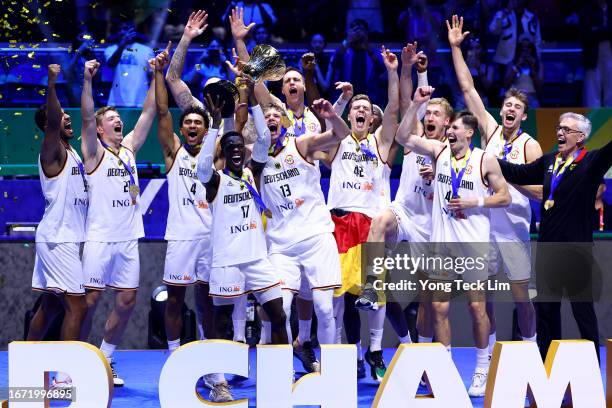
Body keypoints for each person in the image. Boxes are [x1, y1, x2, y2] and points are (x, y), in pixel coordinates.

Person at [397, 87, 511, 397]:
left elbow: (504, 196)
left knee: (477, 309)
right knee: (438, 308)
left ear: (469, 133)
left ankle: (482, 370)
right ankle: (443, 371)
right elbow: (403, 137)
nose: (448, 131)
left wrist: (475, 201)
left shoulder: (485, 160)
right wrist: (417, 104)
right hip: (442, 247)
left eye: (454, 128)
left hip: (474, 246)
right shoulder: (438, 152)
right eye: (448, 129)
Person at [448, 14, 542, 358]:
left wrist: (511, 175)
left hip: (514, 228)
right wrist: (456, 48)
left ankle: (530, 353)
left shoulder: (530, 145)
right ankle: (486, 361)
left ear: (524, 115)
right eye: (507, 105)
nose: (510, 109)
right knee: (483, 299)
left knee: (521, 299)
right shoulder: (488, 131)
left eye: (517, 107)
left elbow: (543, 191)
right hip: (484, 228)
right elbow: (468, 89)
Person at [248, 75, 350, 365]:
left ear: (283, 122)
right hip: (280, 244)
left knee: (323, 306)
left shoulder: (302, 144)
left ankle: (331, 369)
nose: (270, 118)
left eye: (275, 115)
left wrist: (332, 116)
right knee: (280, 308)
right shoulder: (256, 161)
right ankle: (279, 370)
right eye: (265, 115)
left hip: (316, 237)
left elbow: (338, 136)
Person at [356, 44, 449, 354]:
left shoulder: (452, 153)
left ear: (447, 123)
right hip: (404, 213)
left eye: (438, 113)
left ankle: (421, 354)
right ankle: (371, 286)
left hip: (433, 227)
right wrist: (406, 69)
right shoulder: (414, 138)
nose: (431, 115)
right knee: (380, 221)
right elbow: (409, 101)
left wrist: (439, 174)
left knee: (428, 301)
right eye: (429, 113)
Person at [497, 112, 612, 361]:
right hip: (548, 251)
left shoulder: (591, 162)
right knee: (547, 313)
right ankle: (546, 370)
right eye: (559, 128)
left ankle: (591, 371)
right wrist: (486, 161)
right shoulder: (549, 161)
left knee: (583, 312)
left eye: (566, 130)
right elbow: (518, 172)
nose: (560, 133)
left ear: (581, 137)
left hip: (577, 252)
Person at [154, 46, 233, 402]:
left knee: (208, 306)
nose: (190, 127)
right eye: (187, 122)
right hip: (180, 238)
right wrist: (159, 73)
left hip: (209, 239)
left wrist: (223, 112)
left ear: (204, 129)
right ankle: (176, 362)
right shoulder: (172, 152)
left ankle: (216, 377)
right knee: (174, 301)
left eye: (197, 123)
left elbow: (229, 130)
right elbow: (160, 110)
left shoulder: (213, 154)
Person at [323, 46, 400, 381]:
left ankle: (375, 350)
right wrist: (342, 99)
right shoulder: (338, 141)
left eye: (365, 109)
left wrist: (394, 72)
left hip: (371, 225)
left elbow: (396, 109)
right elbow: (331, 120)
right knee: (339, 294)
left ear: (372, 118)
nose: (359, 112)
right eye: (355, 108)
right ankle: (347, 353)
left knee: (375, 293)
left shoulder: (380, 143)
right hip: (339, 221)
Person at [79, 56, 156, 386]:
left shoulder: (128, 150)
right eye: (111, 119)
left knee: (126, 301)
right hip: (98, 237)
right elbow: (84, 115)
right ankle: (77, 363)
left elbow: (149, 113)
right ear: (99, 128)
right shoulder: (93, 153)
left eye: (117, 118)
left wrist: (157, 77)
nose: (118, 122)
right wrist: (87, 81)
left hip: (127, 240)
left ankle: (106, 357)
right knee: (89, 302)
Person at [196, 95, 288, 347]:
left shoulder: (252, 172)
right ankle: (217, 378)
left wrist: (257, 105)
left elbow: (265, 139)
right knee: (222, 322)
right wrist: (214, 125)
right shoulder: (216, 181)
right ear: (224, 154)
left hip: (257, 258)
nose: (236, 150)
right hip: (227, 261)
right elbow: (201, 167)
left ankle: (282, 373)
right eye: (230, 148)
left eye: (239, 147)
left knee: (279, 315)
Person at [28, 65, 88, 362]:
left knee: (52, 305)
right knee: (77, 305)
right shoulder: (52, 151)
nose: (67, 117)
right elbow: (53, 120)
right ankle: (68, 373)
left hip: (64, 237)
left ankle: (26, 359)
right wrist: (52, 83)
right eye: (62, 114)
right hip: (58, 238)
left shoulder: (72, 151)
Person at [330, 19, 386, 106]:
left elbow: (382, 70)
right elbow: (334, 63)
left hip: (370, 97)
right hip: (346, 97)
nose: (359, 33)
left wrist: (367, 46)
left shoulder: (372, 52)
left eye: (362, 30)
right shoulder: (344, 51)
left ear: (367, 33)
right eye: (355, 30)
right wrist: (348, 40)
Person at [104, 21, 155, 107]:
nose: (127, 32)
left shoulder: (146, 50)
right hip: (116, 101)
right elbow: (111, 64)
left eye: (131, 29)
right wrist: (123, 44)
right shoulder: (110, 49)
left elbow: (153, 76)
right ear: (118, 31)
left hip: (140, 100)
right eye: (124, 29)